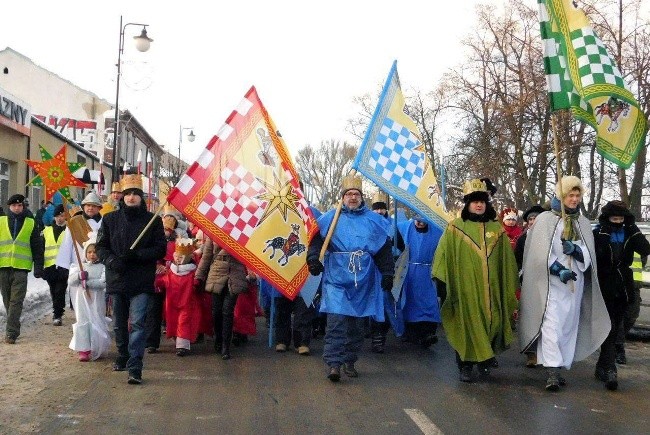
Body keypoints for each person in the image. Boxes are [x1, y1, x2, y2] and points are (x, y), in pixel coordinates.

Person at [519, 175, 610, 392]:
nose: (575, 199)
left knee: (569, 325)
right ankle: (552, 370)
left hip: (574, 284)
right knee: (552, 325)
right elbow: (537, 255)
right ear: (562, 195)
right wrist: (558, 269)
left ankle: (560, 364)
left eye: (578, 195)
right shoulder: (545, 220)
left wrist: (577, 251)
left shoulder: (582, 223)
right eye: (571, 195)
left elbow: (589, 255)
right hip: (550, 285)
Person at [307, 174, 395, 382]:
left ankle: (349, 360)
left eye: (356, 194)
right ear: (343, 197)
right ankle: (334, 363)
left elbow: (383, 250)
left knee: (357, 325)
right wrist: (313, 259)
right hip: (336, 278)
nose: (353, 197)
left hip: (362, 281)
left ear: (362, 197)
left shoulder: (373, 221)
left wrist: (388, 273)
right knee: (336, 322)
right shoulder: (331, 218)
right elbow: (317, 241)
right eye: (349, 194)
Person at [432, 178, 518, 383]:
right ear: (467, 203)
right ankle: (465, 365)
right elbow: (443, 256)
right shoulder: (455, 228)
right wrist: (443, 284)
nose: (478, 204)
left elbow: (507, 262)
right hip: (465, 289)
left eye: (482, 201)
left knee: (492, 322)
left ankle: (485, 361)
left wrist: (509, 285)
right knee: (467, 325)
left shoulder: (497, 230)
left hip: (493, 289)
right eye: (474, 201)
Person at [96, 174, 166, 384]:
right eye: (128, 194)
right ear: (122, 197)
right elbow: (100, 247)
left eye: (136, 194)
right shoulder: (110, 220)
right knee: (118, 323)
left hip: (141, 280)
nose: (132, 198)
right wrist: (111, 261)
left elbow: (160, 248)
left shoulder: (153, 220)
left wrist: (138, 255)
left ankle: (135, 365)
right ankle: (123, 354)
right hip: (117, 278)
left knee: (137, 323)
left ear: (142, 197)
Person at [592, 200, 650, 390]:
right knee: (608, 326)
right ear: (607, 218)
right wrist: (605, 232)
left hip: (624, 286)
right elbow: (598, 254)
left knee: (618, 324)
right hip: (605, 284)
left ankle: (603, 365)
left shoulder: (628, 233)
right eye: (614, 218)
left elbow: (645, 248)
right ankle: (610, 368)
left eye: (621, 218)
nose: (617, 221)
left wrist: (632, 227)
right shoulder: (599, 232)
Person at [195, 237, 249, 360]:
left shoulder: (240, 233)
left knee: (227, 311)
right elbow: (206, 256)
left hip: (235, 272)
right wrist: (198, 276)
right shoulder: (213, 232)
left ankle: (226, 345)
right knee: (216, 311)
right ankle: (219, 338)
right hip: (217, 272)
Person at [0, 194, 42, 344]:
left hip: (21, 268)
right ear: (9, 207)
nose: (17, 208)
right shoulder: (1, 221)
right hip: (3, 266)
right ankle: (14, 324)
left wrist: (38, 266)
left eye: (20, 206)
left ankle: (11, 332)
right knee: (7, 300)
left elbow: (37, 246)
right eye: (14, 206)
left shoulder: (31, 223)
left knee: (16, 301)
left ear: (23, 207)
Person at [397, 216, 443, 348]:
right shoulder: (403, 228)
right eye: (418, 220)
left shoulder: (437, 231)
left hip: (428, 272)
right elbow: (397, 246)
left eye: (423, 220)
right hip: (409, 271)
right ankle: (411, 333)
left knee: (429, 302)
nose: (420, 223)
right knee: (410, 302)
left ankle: (428, 333)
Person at [68, 234, 111, 361]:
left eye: (95, 252)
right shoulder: (80, 267)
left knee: (96, 319)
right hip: (82, 300)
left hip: (96, 299)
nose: (92, 254)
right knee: (83, 320)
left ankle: (97, 346)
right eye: (89, 252)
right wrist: (78, 277)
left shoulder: (103, 267)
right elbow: (71, 281)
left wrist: (87, 282)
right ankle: (84, 349)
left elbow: (103, 283)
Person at [158, 238, 202, 356]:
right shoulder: (171, 270)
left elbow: (196, 284)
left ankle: (182, 346)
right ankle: (179, 342)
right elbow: (164, 281)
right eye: (176, 256)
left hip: (187, 301)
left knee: (184, 321)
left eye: (181, 257)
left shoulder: (192, 272)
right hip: (172, 301)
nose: (177, 258)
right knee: (174, 321)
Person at [514, 204, 546, 368]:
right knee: (529, 317)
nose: (533, 222)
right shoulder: (523, 239)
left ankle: (545, 351)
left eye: (536, 219)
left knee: (546, 319)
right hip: (528, 282)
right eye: (531, 219)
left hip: (546, 284)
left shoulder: (549, 237)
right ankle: (531, 352)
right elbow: (516, 261)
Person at [37, 204, 69, 326]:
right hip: (50, 266)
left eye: (62, 215)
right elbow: (41, 250)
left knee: (60, 290)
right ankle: (57, 309)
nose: (60, 218)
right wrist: (40, 268)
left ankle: (58, 314)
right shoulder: (46, 231)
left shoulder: (69, 230)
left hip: (63, 266)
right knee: (53, 290)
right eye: (57, 216)